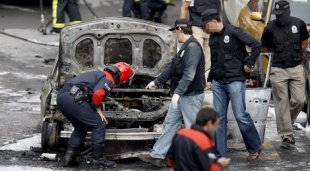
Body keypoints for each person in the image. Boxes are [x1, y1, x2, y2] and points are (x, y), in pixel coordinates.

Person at [138, 19, 206, 167]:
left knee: (191, 127)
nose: (175, 35)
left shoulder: (193, 47)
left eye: (175, 31)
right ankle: (157, 155)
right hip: (182, 95)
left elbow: (189, 74)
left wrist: (178, 92)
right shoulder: (184, 48)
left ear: (180, 30)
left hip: (191, 95)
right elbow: (171, 68)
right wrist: (156, 82)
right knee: (169, 124)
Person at [202, 8, 264, 160]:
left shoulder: (234, 32)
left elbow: (256, 44)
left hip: (235, 80)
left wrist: (249, 64)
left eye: (205, 24)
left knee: (240, 116)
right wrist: (210, 79)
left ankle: (255, 146)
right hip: (218, 82)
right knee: (219, 119)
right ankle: (219, 154)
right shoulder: (212, 38)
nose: (204, 28)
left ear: (214, 21)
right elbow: (215, 61)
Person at [57, 62, 134, 168]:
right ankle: (98, 159)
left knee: (81, 127)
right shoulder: (108, 79)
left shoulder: (100, 74)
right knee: (99, 124)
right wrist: (98, 110)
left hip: (62, 97)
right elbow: (98, 94)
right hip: (73, 99)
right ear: (124, 77)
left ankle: (69, 158)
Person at [261, 0, 309, 149]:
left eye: (281, 15)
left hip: (296, 67)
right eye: (277, 15)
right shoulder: (270, 28)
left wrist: (295, 54)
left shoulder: (299, 24)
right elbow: (265, 47)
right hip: (278, 69)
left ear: (287, 13)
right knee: (281, 103)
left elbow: (304, 42)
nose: (279, 18)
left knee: (299, 100)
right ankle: (286, 136)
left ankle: (286, 121)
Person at [166, 108, 230, 171]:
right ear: (209, 123)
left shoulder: (180, 133)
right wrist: (220, 164)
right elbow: (211, 168)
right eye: (215, 125)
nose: (215, 129)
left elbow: (170, 159)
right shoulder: (204, 141)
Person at [180, 0, 217, 80]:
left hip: (211, 28)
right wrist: (182, 27)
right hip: (197, 27)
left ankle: (207, 81)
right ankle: (195, 80)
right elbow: (184, 7)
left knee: (210, 58)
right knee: (196, 55)